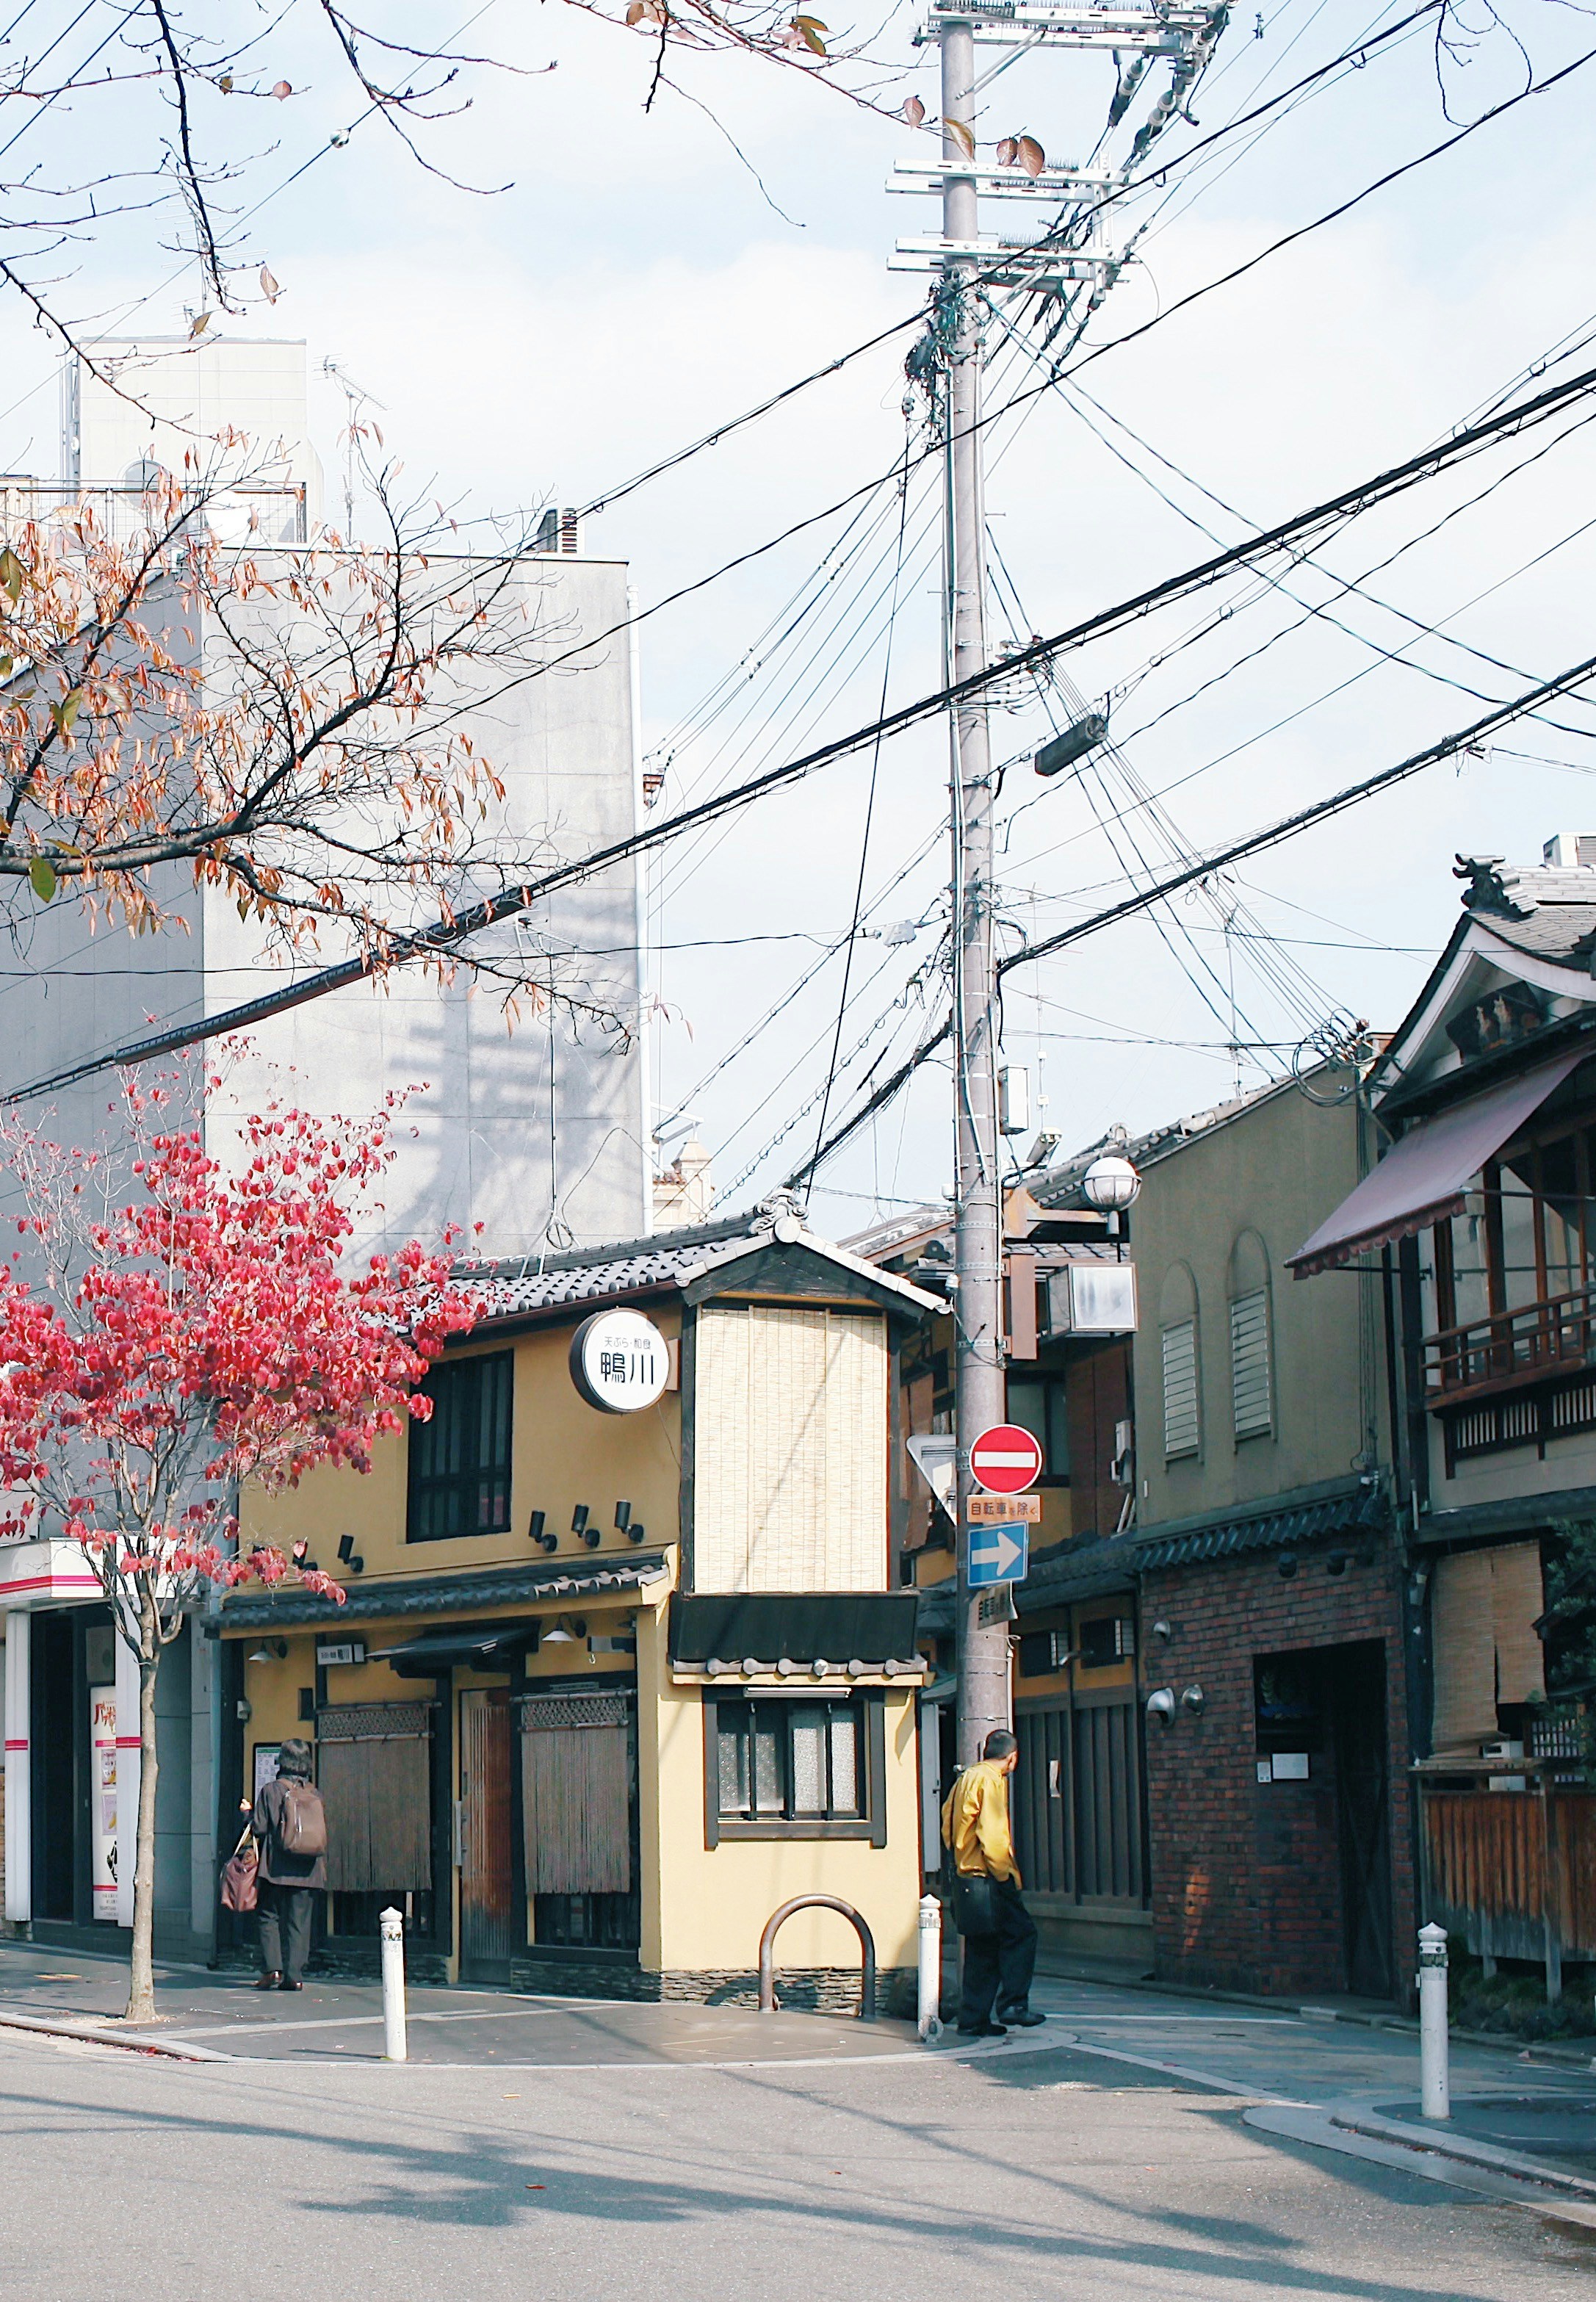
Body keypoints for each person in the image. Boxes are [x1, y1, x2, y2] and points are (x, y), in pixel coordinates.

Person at [941, 1728, 1042, 2037]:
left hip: (965, 1875)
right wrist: (1005, 1875)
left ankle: (973, 2019)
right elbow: (993, 1833)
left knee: (982, 1948)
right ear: (1012, 1757)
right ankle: (1013, 2004)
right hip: (989, 1875)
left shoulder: (966, 1778)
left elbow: (948, 1823)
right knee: (1022, 1935)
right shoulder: (990, 1781)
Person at [247, 1739, 328, 1992]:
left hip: (276, 1867)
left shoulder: (271, 1790)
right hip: (308, 1868)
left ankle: (272, 1970)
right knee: (300, 1922)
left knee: (268, 1916)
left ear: (282, 1760)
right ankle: (295, 1975)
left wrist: (248, 1813)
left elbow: (259, 1828)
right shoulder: (315, 1793)